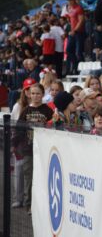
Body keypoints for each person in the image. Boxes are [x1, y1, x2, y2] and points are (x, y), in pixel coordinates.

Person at [11, 83, 53, 215]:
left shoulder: (47, 110)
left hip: (44, 149)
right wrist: (15, 145)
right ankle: (29, 204)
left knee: (44, 177)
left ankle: (43, 203)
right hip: (28, 149)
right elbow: (18, 130)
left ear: (43, 94)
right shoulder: (25, 111)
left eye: (38, 93)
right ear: (29, 95)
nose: (35, 96)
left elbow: (53, 127)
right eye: (33, 93)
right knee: (29, 178)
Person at [10, 78, 36, 208]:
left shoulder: (39, 105)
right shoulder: (18, 106)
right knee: (19, 170)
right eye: (28, 89)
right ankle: (18, 198)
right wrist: (13, 145)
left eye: (32, 89)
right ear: (24, 91)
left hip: (34, 142)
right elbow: (14, 126)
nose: (30, 92)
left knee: (31, 172)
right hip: (21, 142)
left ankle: (29, 199)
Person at [66, 0, 85, 74]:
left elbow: (81, 20)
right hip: (73, 33)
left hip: (79, 32)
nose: (69, 1)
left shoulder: (79, 8)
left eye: (70, 0)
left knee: (78, 52)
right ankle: (75, 65)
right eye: (68, 0)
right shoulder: (70, 8)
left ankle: (81, 68)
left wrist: (75, 30)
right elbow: (71, 21)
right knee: (69, 50)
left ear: (74, 0)